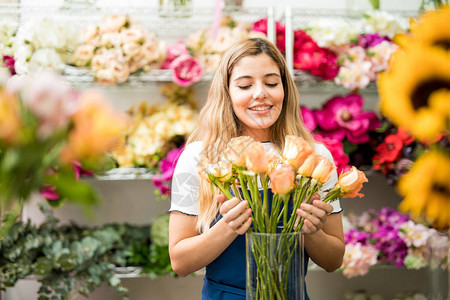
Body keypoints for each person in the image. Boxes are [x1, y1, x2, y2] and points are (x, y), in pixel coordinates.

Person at [169, 37, 345, 300]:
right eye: (244, 85)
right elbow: (180, 263)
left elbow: (334, 260)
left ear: (285, 89)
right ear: (227, 93)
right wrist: (227, 226)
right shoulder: (200, 157)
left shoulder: (313, 157)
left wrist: (313, 232)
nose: (260, 93)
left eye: (272, 83)